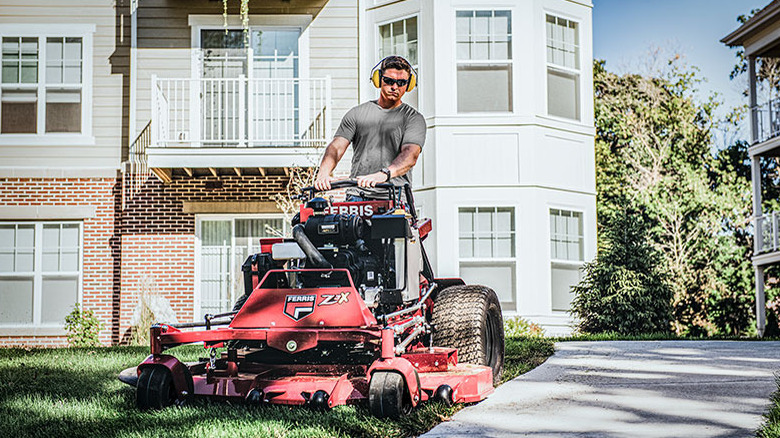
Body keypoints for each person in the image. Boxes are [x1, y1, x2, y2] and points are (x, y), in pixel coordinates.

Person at [313, 56, 426, 200]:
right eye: (389, 81)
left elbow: (410, 156)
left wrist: (384, 174)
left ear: (409, 85)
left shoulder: (413, 118)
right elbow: (336, 147)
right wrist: (323, 173)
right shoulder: (356, 114)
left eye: (401, 83)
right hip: (357, 195)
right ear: (378, 80)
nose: (394, 87)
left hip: (394, 197)